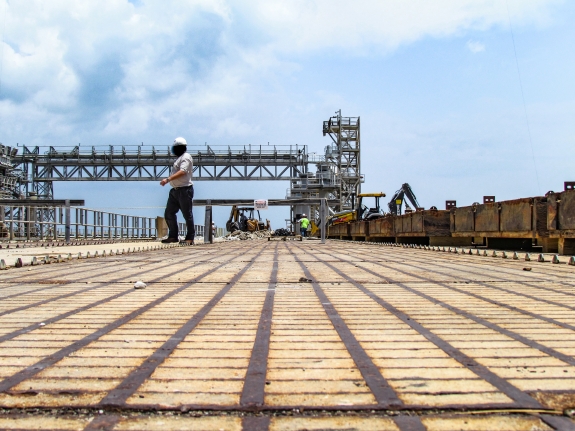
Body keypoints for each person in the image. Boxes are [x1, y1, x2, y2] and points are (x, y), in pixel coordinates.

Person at [160, 137, 195, 245]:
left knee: (187, 214)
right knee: (169, 213)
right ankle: (173, 236)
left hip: (185, 190)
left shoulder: (186, 157)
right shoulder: (179, 158)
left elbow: (183, 171)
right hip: (175, 191)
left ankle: (190, 238)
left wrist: (168, 179)